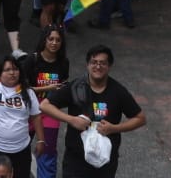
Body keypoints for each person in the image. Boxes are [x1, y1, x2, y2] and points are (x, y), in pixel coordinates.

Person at [39, 45, 145, 178]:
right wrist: (71, 119)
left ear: (109, 66)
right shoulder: (75, 87)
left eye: (102, 63)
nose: (98, 67)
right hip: (75, 161)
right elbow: (45, 105)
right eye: (94, 62)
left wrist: (115, 128)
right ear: (87, 65)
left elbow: (140, 118)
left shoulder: (118, 91)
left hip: (105, 162)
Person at [0, 52, 42, 178]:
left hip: (20, 151)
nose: (12, 73)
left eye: (15, 69)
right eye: (7, 70)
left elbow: (36, 116)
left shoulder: (28, 92)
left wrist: (41, 140)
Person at [22, 25, 70, 178]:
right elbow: (22, 88)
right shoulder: (32, 60)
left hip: (50, 111)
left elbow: (62, 87)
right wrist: (48, 87)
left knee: (48, 150)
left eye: (58, 40)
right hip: (30, 110)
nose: (54, 43)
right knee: (21, 146)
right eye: (51, 39)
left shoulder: (64, 63)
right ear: (44, 40)